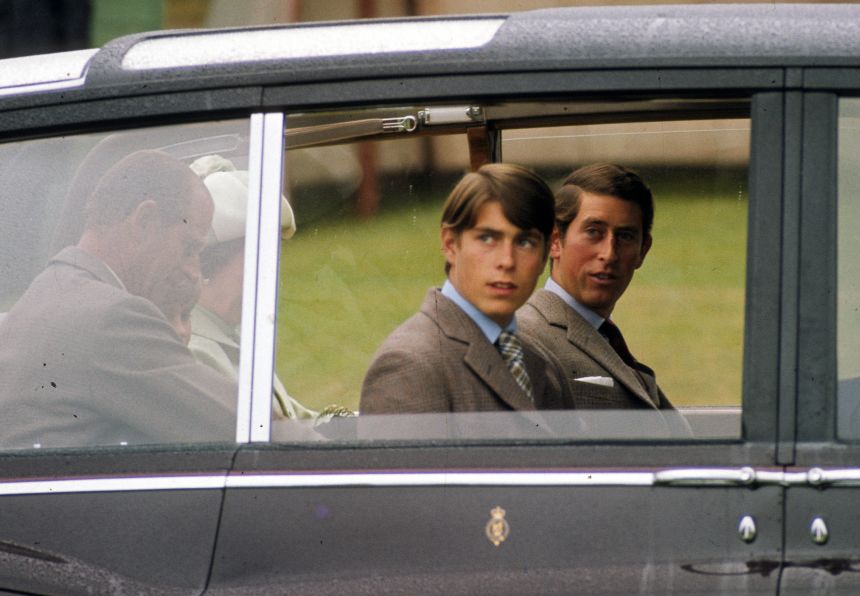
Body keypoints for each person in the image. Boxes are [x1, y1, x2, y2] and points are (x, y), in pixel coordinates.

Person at [0, 150, 235, 448]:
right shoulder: (111, 317)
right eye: (189, 248)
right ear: (145, 221)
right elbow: (241, 426)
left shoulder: (50, 293)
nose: (193, 272)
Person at [360, 163, 571, 413]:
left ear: (546, 253)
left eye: (525, 242)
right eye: (487, 238)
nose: (507, 261)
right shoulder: (409, 365)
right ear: (450, 244)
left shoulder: (543, 362)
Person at [188, 155, 350, 421]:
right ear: (214, 259)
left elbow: (294, 421)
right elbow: (271, 445)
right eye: (261, 254)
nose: (273, 269)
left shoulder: (232, 333)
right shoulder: (197, 352)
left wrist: (367, 423)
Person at [518, 163, 676, 411]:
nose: (609, 254)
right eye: (593, 232)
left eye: (625, 236)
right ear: (555, 241)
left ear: (643, 251)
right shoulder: (523, 339)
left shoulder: (604, 335)